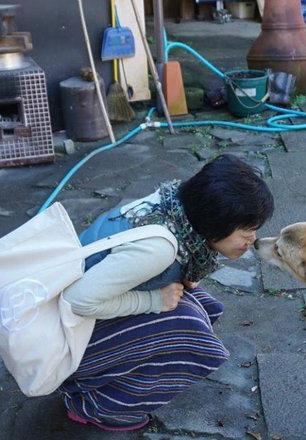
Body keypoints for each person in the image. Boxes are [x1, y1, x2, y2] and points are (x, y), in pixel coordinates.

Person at [58, 154, 274, 431]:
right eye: (245, 229)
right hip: (64, 341)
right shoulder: (159, 249)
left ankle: (112, 379)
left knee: (198, 302)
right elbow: (76, 300)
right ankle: (96, 403)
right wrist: (152, 300)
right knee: (188, 325)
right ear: (215, 219)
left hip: (82, 315)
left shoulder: (172, 206)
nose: (252, 240)